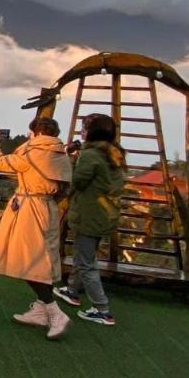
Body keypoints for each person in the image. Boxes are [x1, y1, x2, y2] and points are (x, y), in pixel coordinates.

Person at [0, 118, 73, 339]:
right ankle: (41, 311)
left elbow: (1, 162)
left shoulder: (33, 153)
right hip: (48, 207)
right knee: (41, 258)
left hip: (30, 209)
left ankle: (54, 312)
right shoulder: (60, 153)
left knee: (29, 259)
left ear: (35, 132)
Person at [52, 113, 125, 326]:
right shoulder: (112, 153)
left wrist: (70, 161)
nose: (81, 132)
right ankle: (72, 290)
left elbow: (78, 182)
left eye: (85, 128)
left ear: (94, 132)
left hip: (89, 213)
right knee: (85, 254)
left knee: (86, 262)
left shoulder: (91, 155)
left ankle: (102, 309)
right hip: (104, 214)